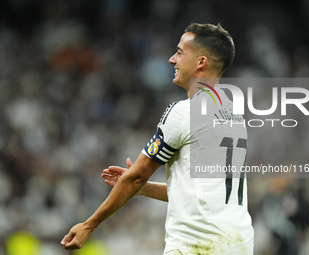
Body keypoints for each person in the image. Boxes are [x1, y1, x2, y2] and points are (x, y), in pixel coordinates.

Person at [61, 23, 254, 254]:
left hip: (197, 244)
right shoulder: (234, 115)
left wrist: (88, 224)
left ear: (201, 62)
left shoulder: (185, 112)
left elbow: (136, 176)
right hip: (239, 242)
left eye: (180, 52)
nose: (172, 59)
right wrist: (143, 188)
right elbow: (202, 192)